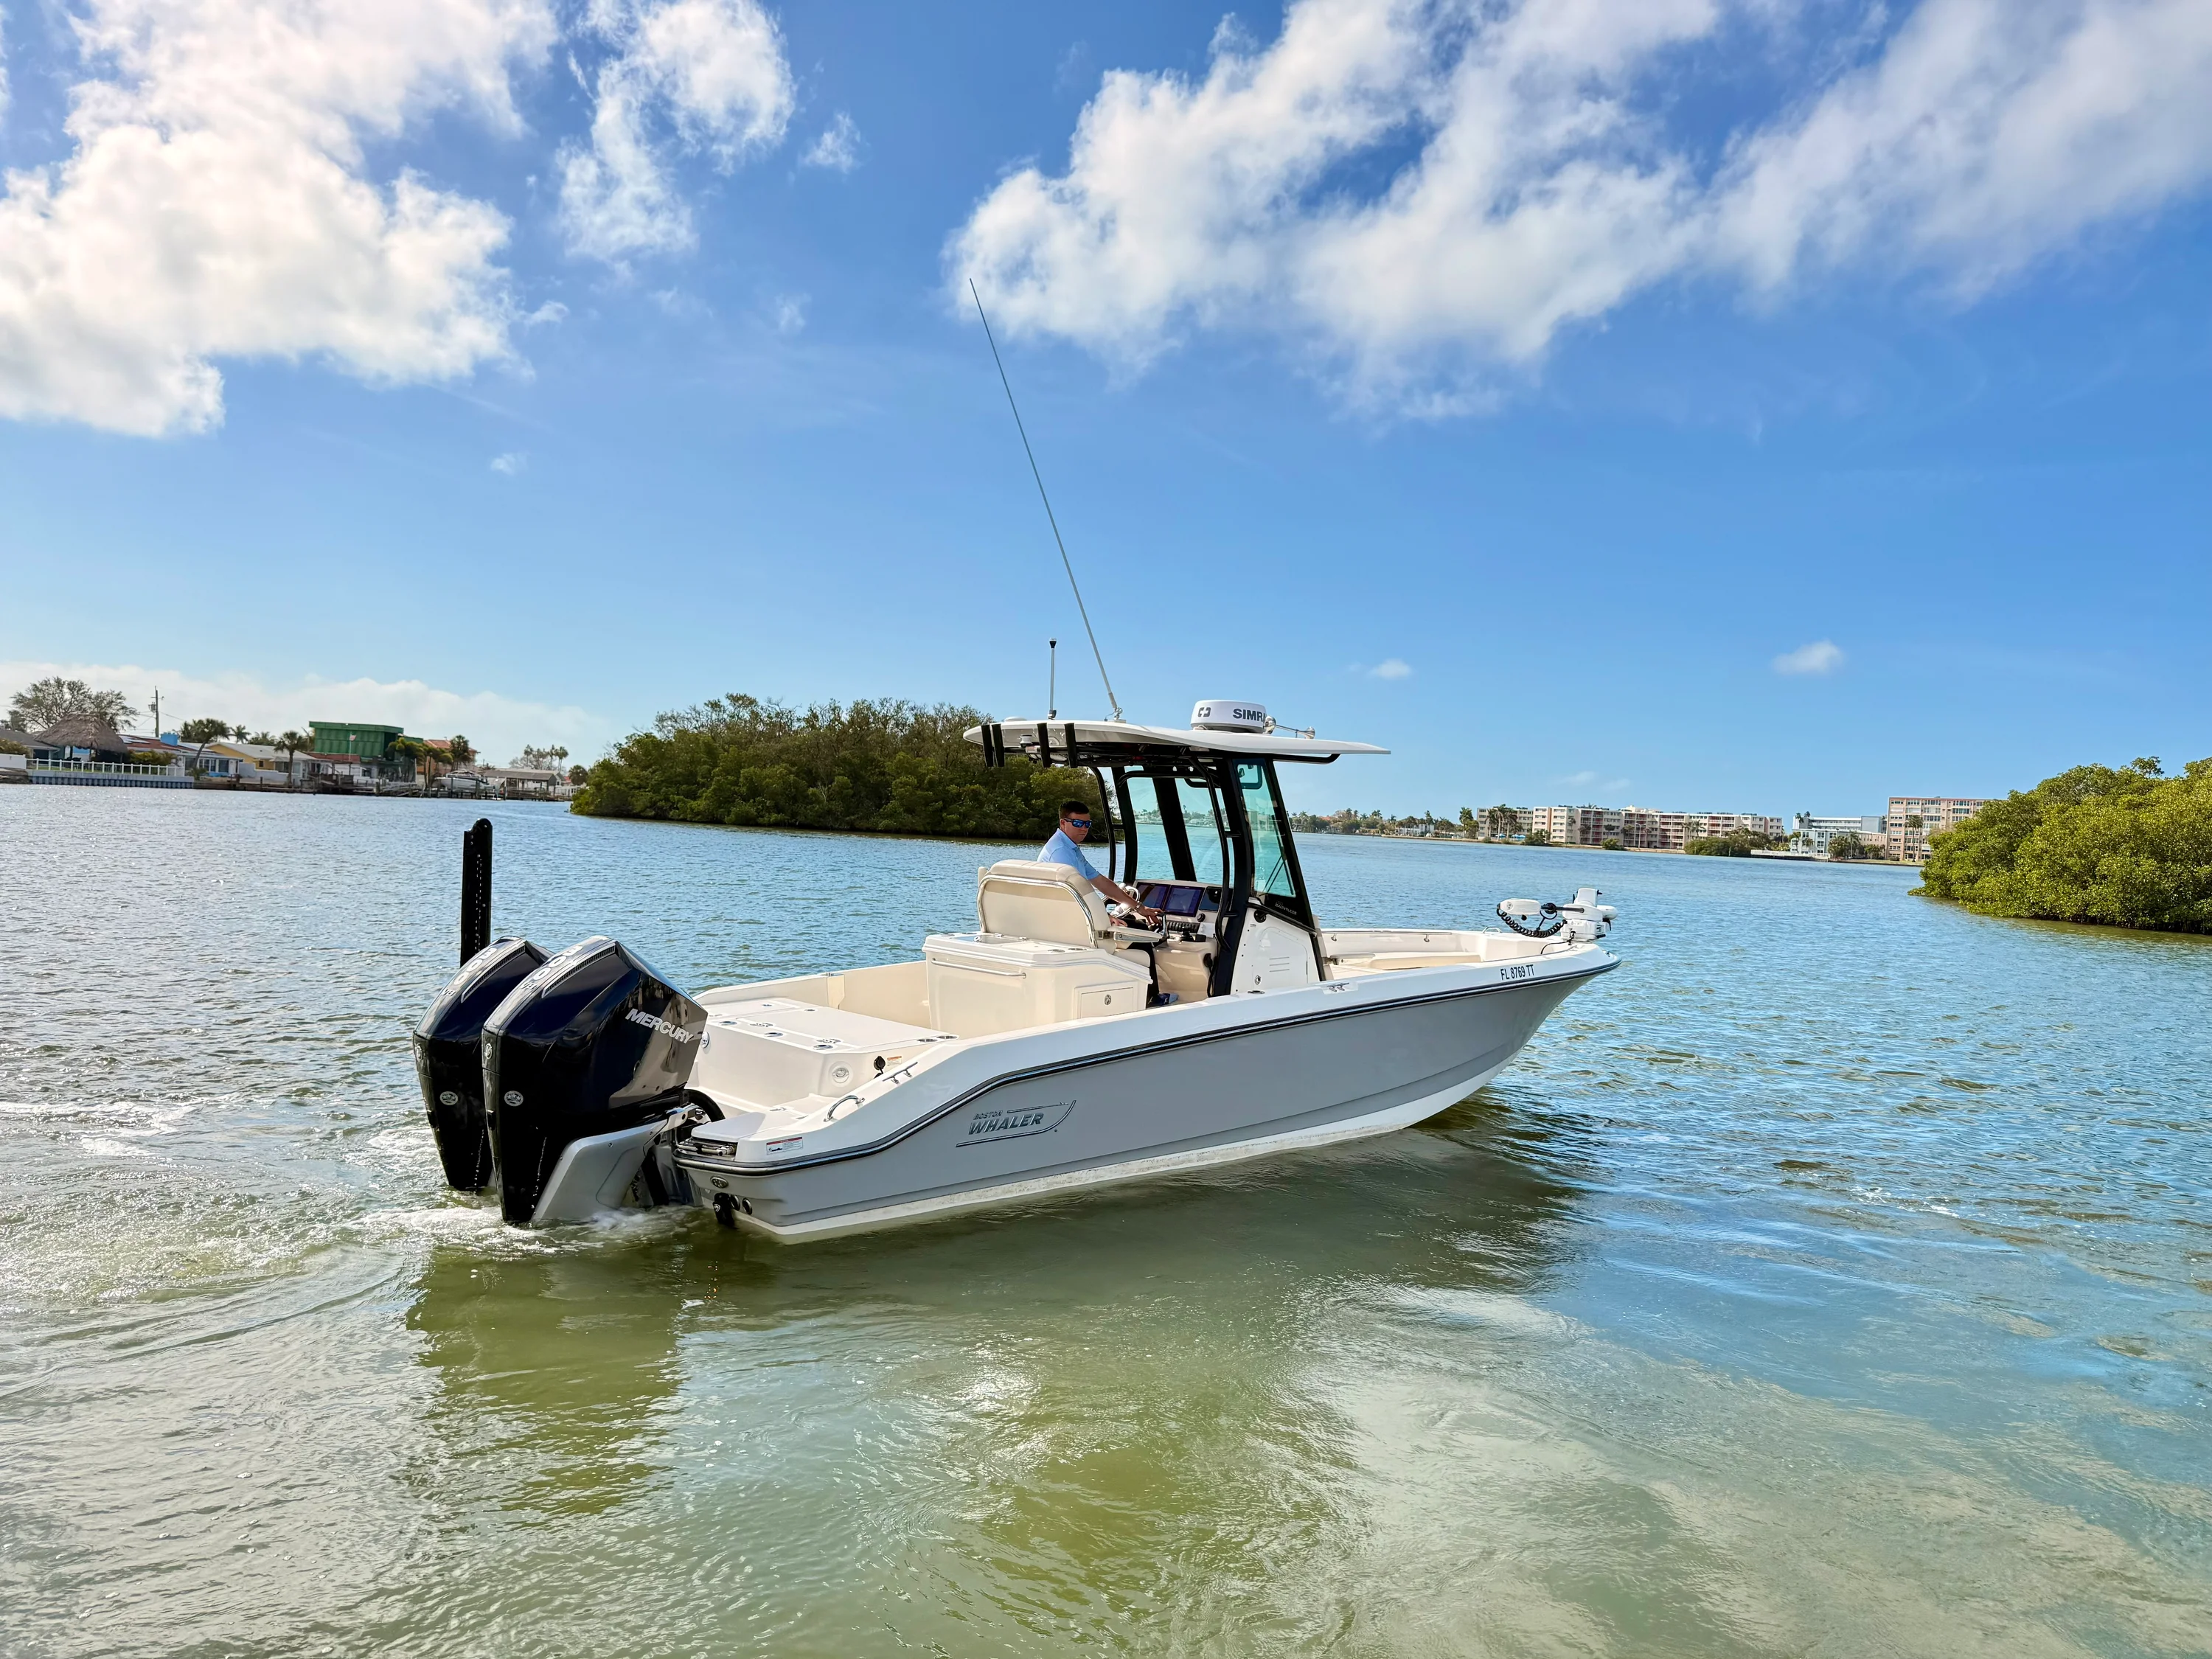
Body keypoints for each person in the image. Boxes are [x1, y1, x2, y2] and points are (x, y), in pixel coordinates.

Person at [1040, 801, 1159, 925]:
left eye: (1087, 824)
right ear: (1063, 823)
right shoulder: (1060, 851)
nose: (1084, 828)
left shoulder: (1070, 848)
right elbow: (1074, 893)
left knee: (1135, 924)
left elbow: (1101, 882)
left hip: (1072, 916)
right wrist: (1104, 916)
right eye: (1078, 823)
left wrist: (1139, 907)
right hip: (1062, 920)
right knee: (1138, 927)